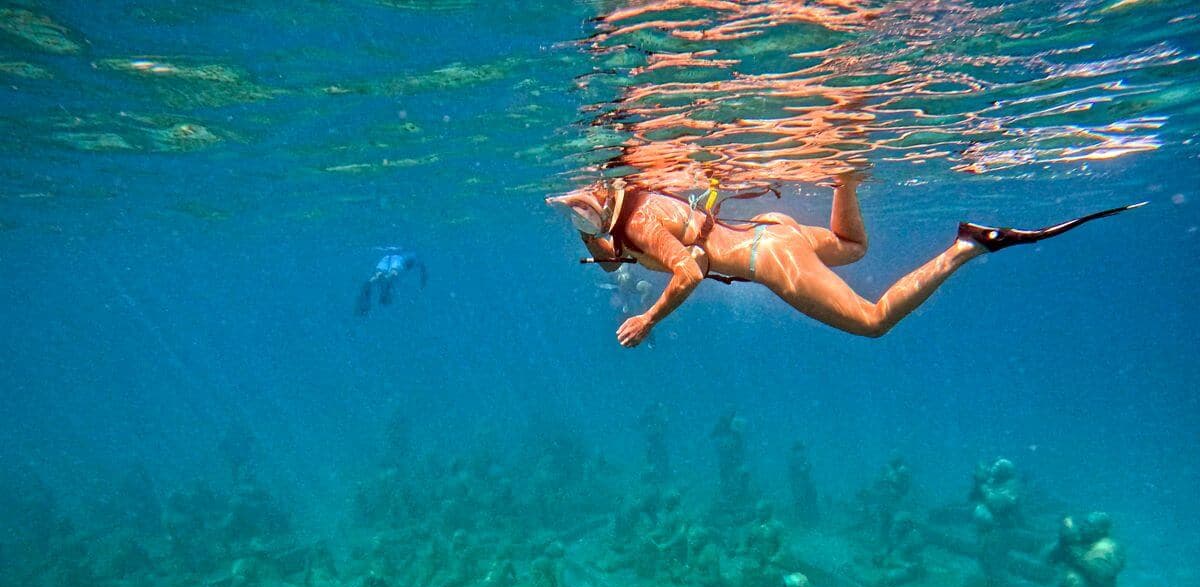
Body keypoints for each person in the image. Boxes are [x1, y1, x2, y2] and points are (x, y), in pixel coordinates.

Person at [547, 175, 1141, 347]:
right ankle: (844, 173)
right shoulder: (634, 201)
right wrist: (590, 236)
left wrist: (648, 319)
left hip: (764, 254)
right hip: (770, 229)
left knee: (873, 321)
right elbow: (610, 260)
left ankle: (967, 245)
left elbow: (690, 270)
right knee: (853, 247)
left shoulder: (639, 224)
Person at [356, 249, 426, 316]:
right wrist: (422, 285)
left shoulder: (412, 255)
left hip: (386, 258)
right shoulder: (416, 257)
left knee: (378, 275)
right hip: (398, 260)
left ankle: (376, 281)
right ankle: (385, 283)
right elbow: (423, 272)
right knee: (393, 273)